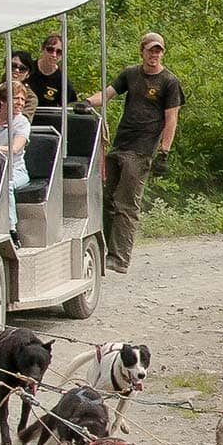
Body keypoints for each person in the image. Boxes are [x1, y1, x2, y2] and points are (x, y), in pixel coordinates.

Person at [85, 31, 183, 274]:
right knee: (107, 199)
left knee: (126, 204)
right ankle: (107, 250)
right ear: (142, 51)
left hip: (142, 149)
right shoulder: (131, 74)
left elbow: (171, 119)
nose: (154, 54)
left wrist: (164, 152)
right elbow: (107, 93)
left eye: (158, 50)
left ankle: (120, 257)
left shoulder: (169, 82)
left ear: (163, 53)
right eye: (151, 50)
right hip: (121, 143)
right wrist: (87, 102)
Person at [0, 81, 34, 192]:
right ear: (3, 100)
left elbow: (14, 149)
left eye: (23, 100)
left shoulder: (22, 122)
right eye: (16, 98)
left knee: (5, 184)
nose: (20, 103)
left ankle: (9, 210)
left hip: (13, 170)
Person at [26, 33, 70, 109]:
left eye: (59, 52)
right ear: (43, 49)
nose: (54, 55)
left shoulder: (62, 80)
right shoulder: (26, 69)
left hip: (47, 119)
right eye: (50, 50)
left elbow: (71, 104)